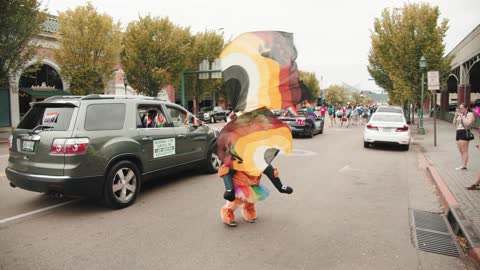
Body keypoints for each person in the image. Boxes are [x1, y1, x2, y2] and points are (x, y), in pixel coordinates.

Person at [453, 103, 475, 170]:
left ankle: (464, 166)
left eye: (462, 108)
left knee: (464, 151)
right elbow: (454, 124)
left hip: (464, 132)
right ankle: (462, 164)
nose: (460, 110)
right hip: (458, 132)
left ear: (466, 108)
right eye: (460, 108)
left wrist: (462, 117)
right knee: (461, 151)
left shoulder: (470, 114)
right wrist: (455, 116)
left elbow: (468, 124)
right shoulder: (460, 115)